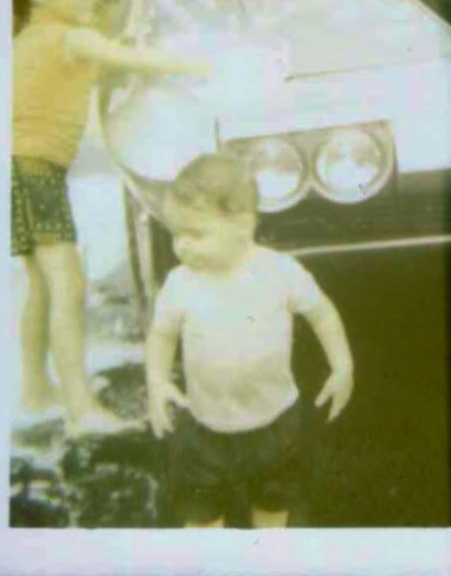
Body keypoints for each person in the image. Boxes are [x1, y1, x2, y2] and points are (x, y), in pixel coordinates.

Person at [12, 0, 213, 437]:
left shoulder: (34, 36)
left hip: (18, 168)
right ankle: (81, 411)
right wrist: (202, 62)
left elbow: (103, 57)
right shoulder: (67, 37)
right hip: (32, 169)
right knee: (67, 285)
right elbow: (132, 60)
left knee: (41, 285)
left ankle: (37, 391)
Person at [145, 153, 354, 529]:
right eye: (176, 234)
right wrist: (156, 381)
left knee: (273, 506)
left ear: (242, 224)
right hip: (206, 427)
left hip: (275, 424)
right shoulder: (180, 283)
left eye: (196, 234)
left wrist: (342, 366)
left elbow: (322, 313)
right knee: (201, 516)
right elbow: (162, 334)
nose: (181, 246)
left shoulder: (279, 272)